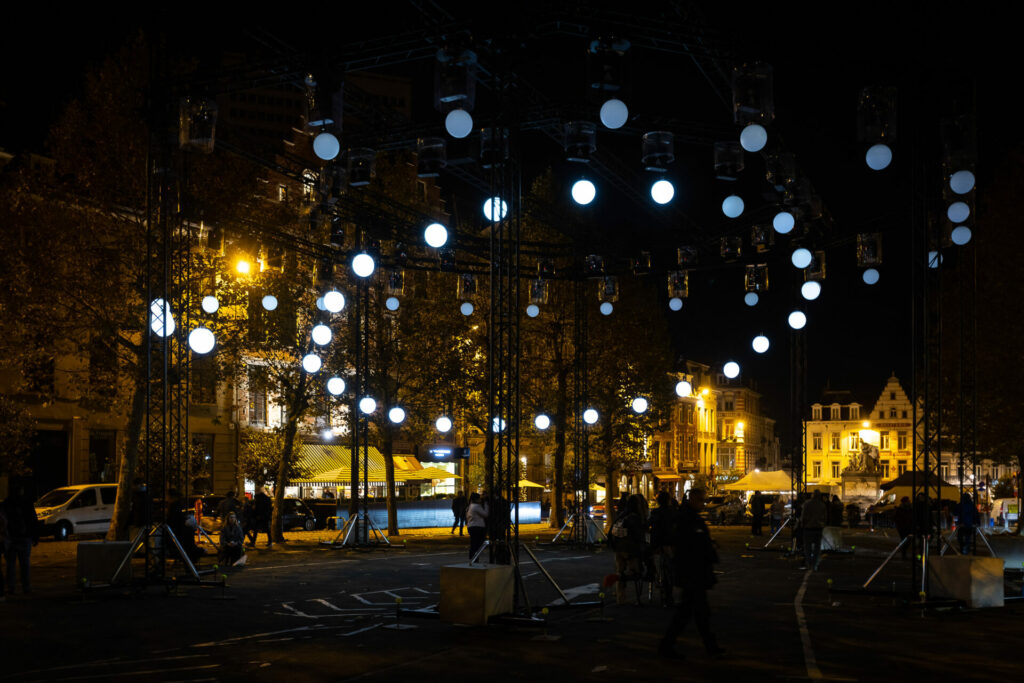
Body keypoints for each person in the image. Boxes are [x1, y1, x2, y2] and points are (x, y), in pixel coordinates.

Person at [658, 488, 724, 659]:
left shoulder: (687, 517)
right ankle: (669, 646)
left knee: (695, 612)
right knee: (692, 612)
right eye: (702, 500)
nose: (704, 504)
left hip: (692, 572)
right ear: (693, 500)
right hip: (693, 572)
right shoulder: (687, 519)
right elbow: (689, 545)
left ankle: (709, 645)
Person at [3, 482, 39, 596]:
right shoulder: (27, 503)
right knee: (24, 564)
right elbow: (33, 520)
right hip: (24, 537)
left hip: (11, 537)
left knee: (11, 565)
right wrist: (35, 536)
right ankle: (26, 587)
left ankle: (11, 587)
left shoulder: (7, 503)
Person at [610, 494, 646, 605]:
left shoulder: (621, 515)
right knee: (635, 572)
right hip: (631, 549)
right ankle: (637, 599)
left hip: (618, 548)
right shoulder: (635, 518)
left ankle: (620, 598)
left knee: (619, 570)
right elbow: (639, 536)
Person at [648, 491, 676, 606]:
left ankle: (652, 575)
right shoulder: (673, 512)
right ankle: (668, 592)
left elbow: (649, 524)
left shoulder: (655, 512)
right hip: (669, 543)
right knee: (670, 567)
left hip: (656, 543)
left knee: (649, 559)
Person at [165, 488, 203, 565]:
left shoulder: (174, 506)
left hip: (177, 531)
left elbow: (173, 519)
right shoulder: (178, 505)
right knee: (187, 548)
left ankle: (196, 554)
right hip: (181, 530)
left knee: (183, 548)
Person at [801, 490, 827, 571]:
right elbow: (825, 517)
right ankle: (815, 564)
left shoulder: (807, 504)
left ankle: (809, 563)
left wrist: (803, 525)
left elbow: (803, 515)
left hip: (808, 528)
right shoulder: (822, 505)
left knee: (807, 547)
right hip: (818, 528)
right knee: (817, 548)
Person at [466, 492, 489, 560]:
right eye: (479, 499)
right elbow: (485, 514)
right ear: (476, 499)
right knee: (477, 545)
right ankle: (474, 559)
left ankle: (473, 559)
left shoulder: (470, 506)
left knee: (474, 544)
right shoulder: (476, 506)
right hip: (477, 527)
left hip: (471, 526)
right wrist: (486, 505)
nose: (480, 500)